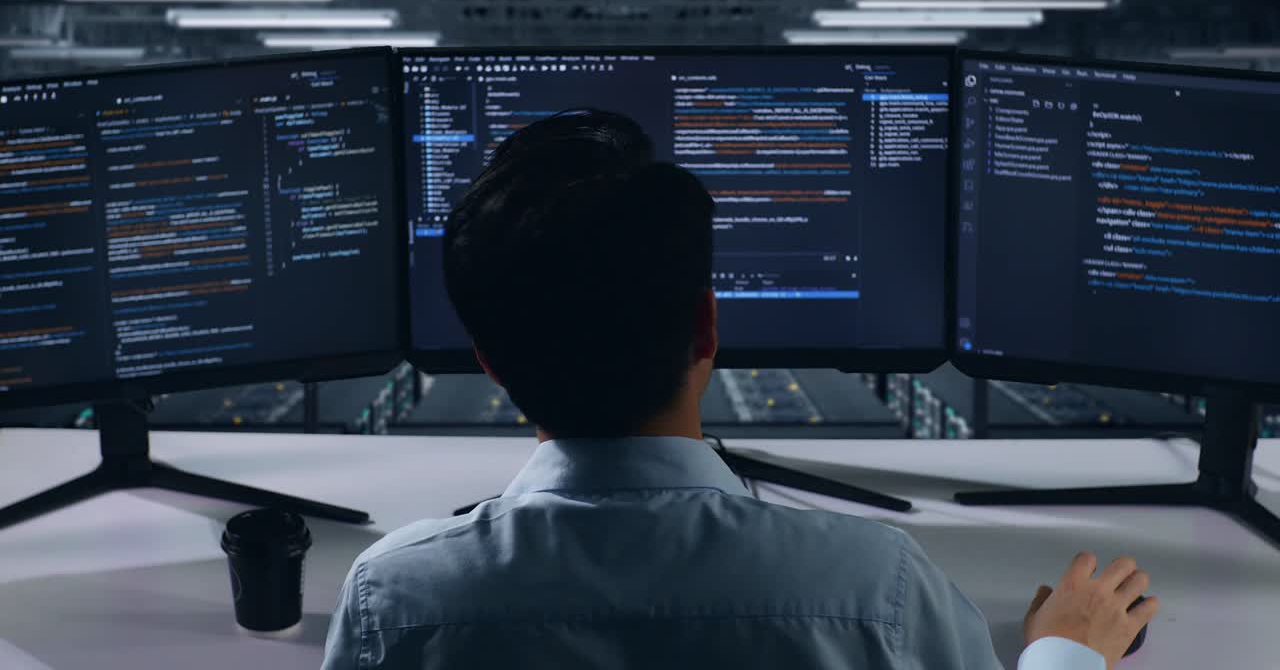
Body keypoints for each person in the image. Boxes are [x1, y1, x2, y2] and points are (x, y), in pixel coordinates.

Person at [322, 109, 1159, 670]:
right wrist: (1066, 650)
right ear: (707, 327)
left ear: (490, 361)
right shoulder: (876, 587)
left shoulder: (394, 598)